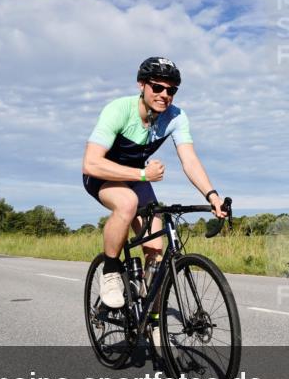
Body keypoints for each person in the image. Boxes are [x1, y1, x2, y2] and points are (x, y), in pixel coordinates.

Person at [82, 57, 225, 309]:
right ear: (141, 85)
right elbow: (91, 163)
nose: (164, 94)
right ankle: (111, 271)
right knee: (126, 203)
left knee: (156, 249)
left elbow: (190, 160)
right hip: (102, 175)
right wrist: (143, 175)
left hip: (137, 177)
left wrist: (212, 195)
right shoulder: (119, 110)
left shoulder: (176, 117)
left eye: (171, 90)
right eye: (157, 87)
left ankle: (149, 317)